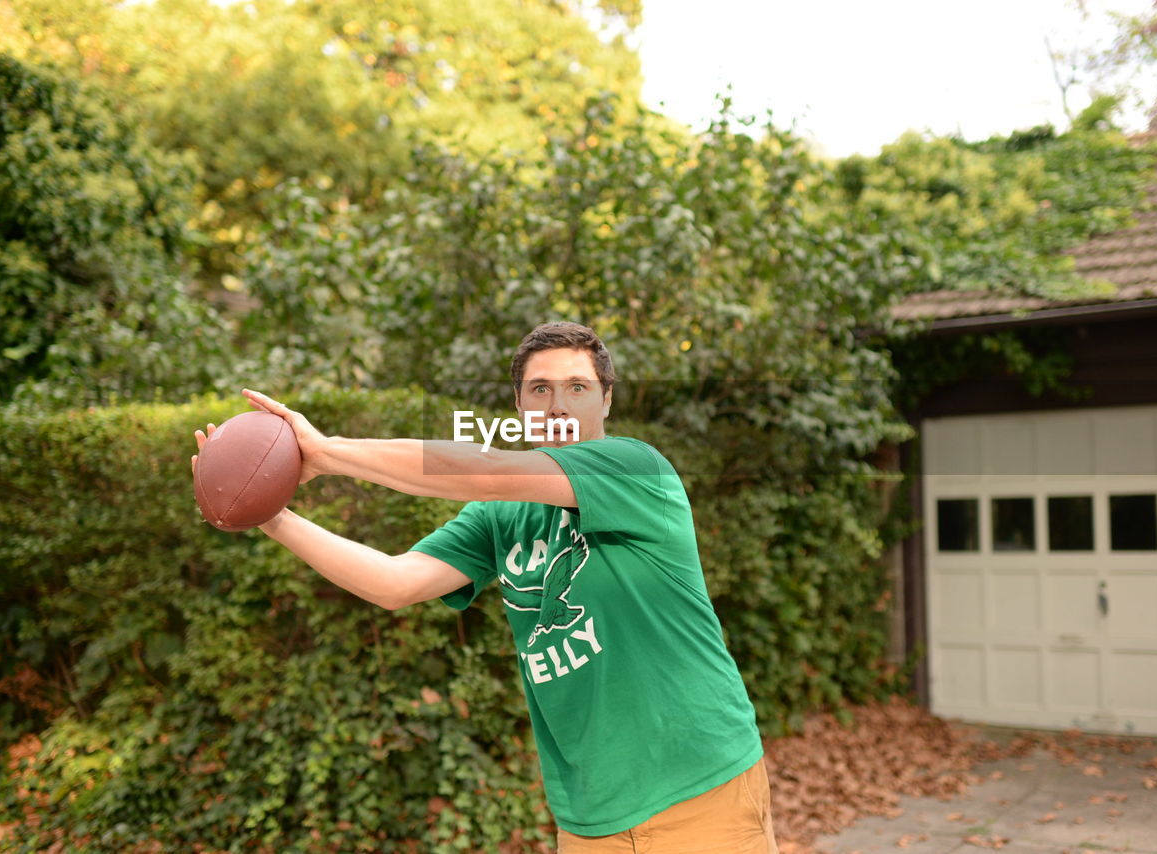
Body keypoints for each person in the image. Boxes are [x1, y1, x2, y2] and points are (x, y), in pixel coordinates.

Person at [191, 321, 777, 853]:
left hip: (700, 786)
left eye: (578, 387)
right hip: (590, 815)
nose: (558, 404)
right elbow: (394, 583)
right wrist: (270, 515)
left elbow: (487, 466)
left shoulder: (636, 470)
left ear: (606, 400)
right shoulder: (501, 517)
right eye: (540, 389)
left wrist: (327, 452)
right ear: (520, 405)